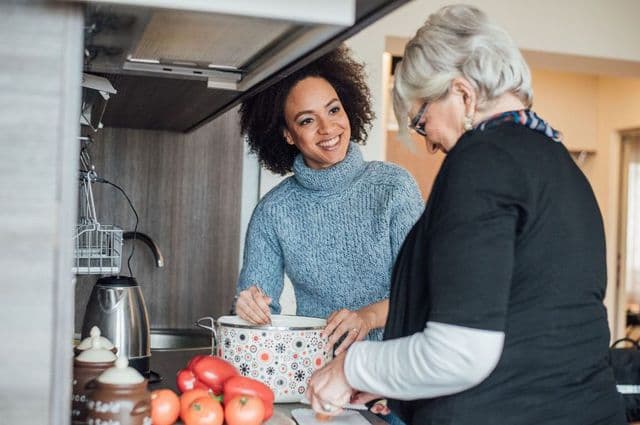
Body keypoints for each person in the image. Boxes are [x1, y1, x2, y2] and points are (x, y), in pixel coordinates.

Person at [306, 5, 626, 425]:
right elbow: (523, 329)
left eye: (421, 122)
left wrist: (351, 366)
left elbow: (459, 355)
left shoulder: (481, 161)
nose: (429, 143)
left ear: (463, 94)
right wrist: (394, 379)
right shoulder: (560, 165)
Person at [234, 46, 424, 359]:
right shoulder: (274, 211)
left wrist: (368, 317)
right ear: (288, 135)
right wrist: (247, 310)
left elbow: (422, 290)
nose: (328, 128)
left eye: (333, 110)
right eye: (307, 120)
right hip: (318, 381)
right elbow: (257, 323)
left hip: (396, 377)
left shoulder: (394, 187)